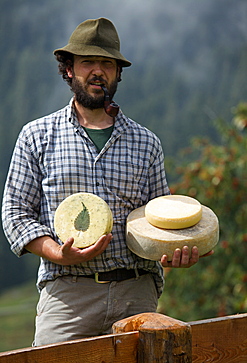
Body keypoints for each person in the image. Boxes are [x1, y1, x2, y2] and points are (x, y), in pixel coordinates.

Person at [2, 18, 212, 346]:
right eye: (88, 62)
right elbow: (15, 214)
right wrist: (58, 253)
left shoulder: (146, 142)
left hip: (136, 293)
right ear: (69, 69)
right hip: (68, 295)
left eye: (107, 63)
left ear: (117, 73)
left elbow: (160, 221)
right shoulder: (37, 136)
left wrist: (176, 249)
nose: (98, 70)